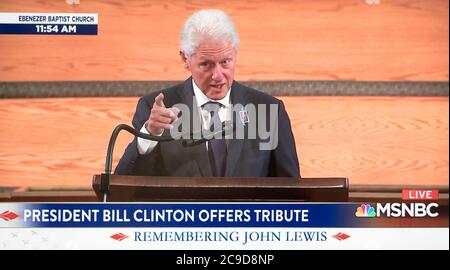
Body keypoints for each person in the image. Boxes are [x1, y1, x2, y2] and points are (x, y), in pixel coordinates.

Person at [115, 9, 300, 177]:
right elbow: (123, 189)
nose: (218, 76)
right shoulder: (156, 110)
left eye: (225, 62)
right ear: (185, 59)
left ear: (235, 54)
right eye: (206, 64)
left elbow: (292, 193)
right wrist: (150, 135)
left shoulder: (268, 111)